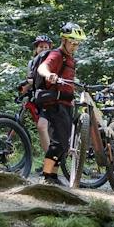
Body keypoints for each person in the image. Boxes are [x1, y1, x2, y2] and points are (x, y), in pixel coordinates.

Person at [34, 23, 84, 185]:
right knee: (60, 141)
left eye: (77, 43)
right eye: (72, 42)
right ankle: (46, 175)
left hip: (65, 102)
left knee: (63, 141)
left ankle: (53, 176)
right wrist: (49, 75)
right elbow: (43, 67)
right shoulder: (57, 55)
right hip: (56, 102)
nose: (75, 46)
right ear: (64, 40)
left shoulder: (70, 58)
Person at [18, 33, 53, 156]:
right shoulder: (31, 63)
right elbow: (30, 80)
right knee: (42, 129)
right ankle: (49, 159)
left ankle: (51, 161)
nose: (43, 49)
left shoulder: (52, 62)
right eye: (41, 47)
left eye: (46, 47)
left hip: (48, 98)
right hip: (36, 97)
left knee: (45, 128)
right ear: (36, 49)